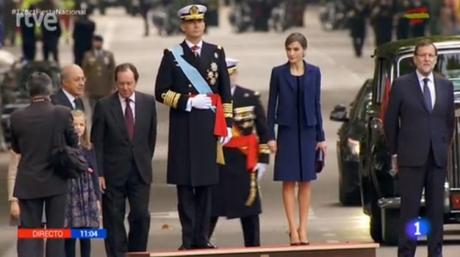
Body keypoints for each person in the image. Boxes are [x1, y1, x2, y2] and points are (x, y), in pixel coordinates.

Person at [154, 4, 233, 250]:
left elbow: (225, 93)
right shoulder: (172, 55)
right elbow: (161, 92)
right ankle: (188, 239)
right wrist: (187, 101)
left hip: (209, 128)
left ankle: (203, 238)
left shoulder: (216, 53)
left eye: (200, 21)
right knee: (186, 188)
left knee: (207, 187)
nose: (196, 25)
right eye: (191, 22)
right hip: (184, 128)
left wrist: (227, 124)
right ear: (182, 26)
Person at [384, 39, 454, 257]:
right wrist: (395, 152)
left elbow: (449, 121)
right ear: (415, 59)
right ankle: (407, 252)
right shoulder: (401, 85)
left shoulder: (445, 85)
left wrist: (443, 146)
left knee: (435, 212)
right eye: (422, 55)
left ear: (435, 59)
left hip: (437, 158)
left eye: (430, 55)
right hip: (410, 158)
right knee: (411, 211)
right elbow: (390, 121)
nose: (426, 59)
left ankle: (435, 252)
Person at [266, 32, 326, 246]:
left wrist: (321, 136)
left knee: (306, 181)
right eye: (289, 49)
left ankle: (304, 228)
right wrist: (270, 137)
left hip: (308, 131)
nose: (292, 53)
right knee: (288, 180)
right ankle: (292, 229)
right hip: (287, 131)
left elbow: (317, 104)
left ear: (304, 51)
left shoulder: (315, 72)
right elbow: (271, 105)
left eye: (296, 49)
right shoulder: (278, 73)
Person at [91, 63, 157, 257]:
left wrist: (143, 160)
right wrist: (99, 173)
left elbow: (150, 138)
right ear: (116, 83)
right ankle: (117, 254)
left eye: (129, 83)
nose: (126, 88)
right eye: (121, 84)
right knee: (113, 218)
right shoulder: (103, 106)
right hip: (112, 173)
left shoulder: (147, 102)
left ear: (136, 81)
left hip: (140, 171)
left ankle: (136, 253)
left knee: (141, 216)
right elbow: (98, 142)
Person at [10, 71, 78, 257]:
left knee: (29, 234)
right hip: (56, 181)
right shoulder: (62, 113)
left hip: (28, 182)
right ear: (50, 90)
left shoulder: (17, 117)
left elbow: (16, 148)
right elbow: (74, 143)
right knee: (56, 233)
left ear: (28, 91)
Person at [209, 58, 270, 247]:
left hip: (244, 161)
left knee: (249, 210)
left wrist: (263, 160)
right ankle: (199, 245)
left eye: (231, 75)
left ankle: (254, 248)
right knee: (210, 209)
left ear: (235, 75)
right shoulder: (209, 99)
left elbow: (263, 131)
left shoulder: (249, 97)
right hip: (217, 161)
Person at [64, 110, 101, 257]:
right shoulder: (65, 147)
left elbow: (95, 173)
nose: (78, 128)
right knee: (70, 235)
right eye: (74, 125)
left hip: (87, 194)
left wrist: (98, 198)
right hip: (70, 194)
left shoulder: (89, 147)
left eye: (81, 124)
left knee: (86, 235)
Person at [82, 35, 116, 109]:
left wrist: (113, 87)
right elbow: (84, 72)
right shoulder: (88, 55)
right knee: (93, 110)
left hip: (105, 89)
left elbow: (113, 72)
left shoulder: (108, 55)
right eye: (95, 42)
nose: (97, 44)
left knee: (105, 110)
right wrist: (84, 88)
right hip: (92, 89)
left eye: (99, 42)